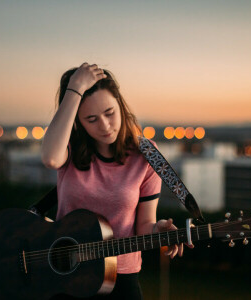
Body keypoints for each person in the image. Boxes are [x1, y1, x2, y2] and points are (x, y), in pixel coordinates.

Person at [41, 62, 193, 299]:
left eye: (110, 113)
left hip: (119, 277)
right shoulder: (69, 148)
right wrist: (74, 89)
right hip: (65, 274)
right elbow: (50, 158)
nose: (104, 126)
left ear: (120, 106)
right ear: (78, 122)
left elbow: (143, 226)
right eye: (91, 119)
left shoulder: (147, 155)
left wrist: (157, 229)